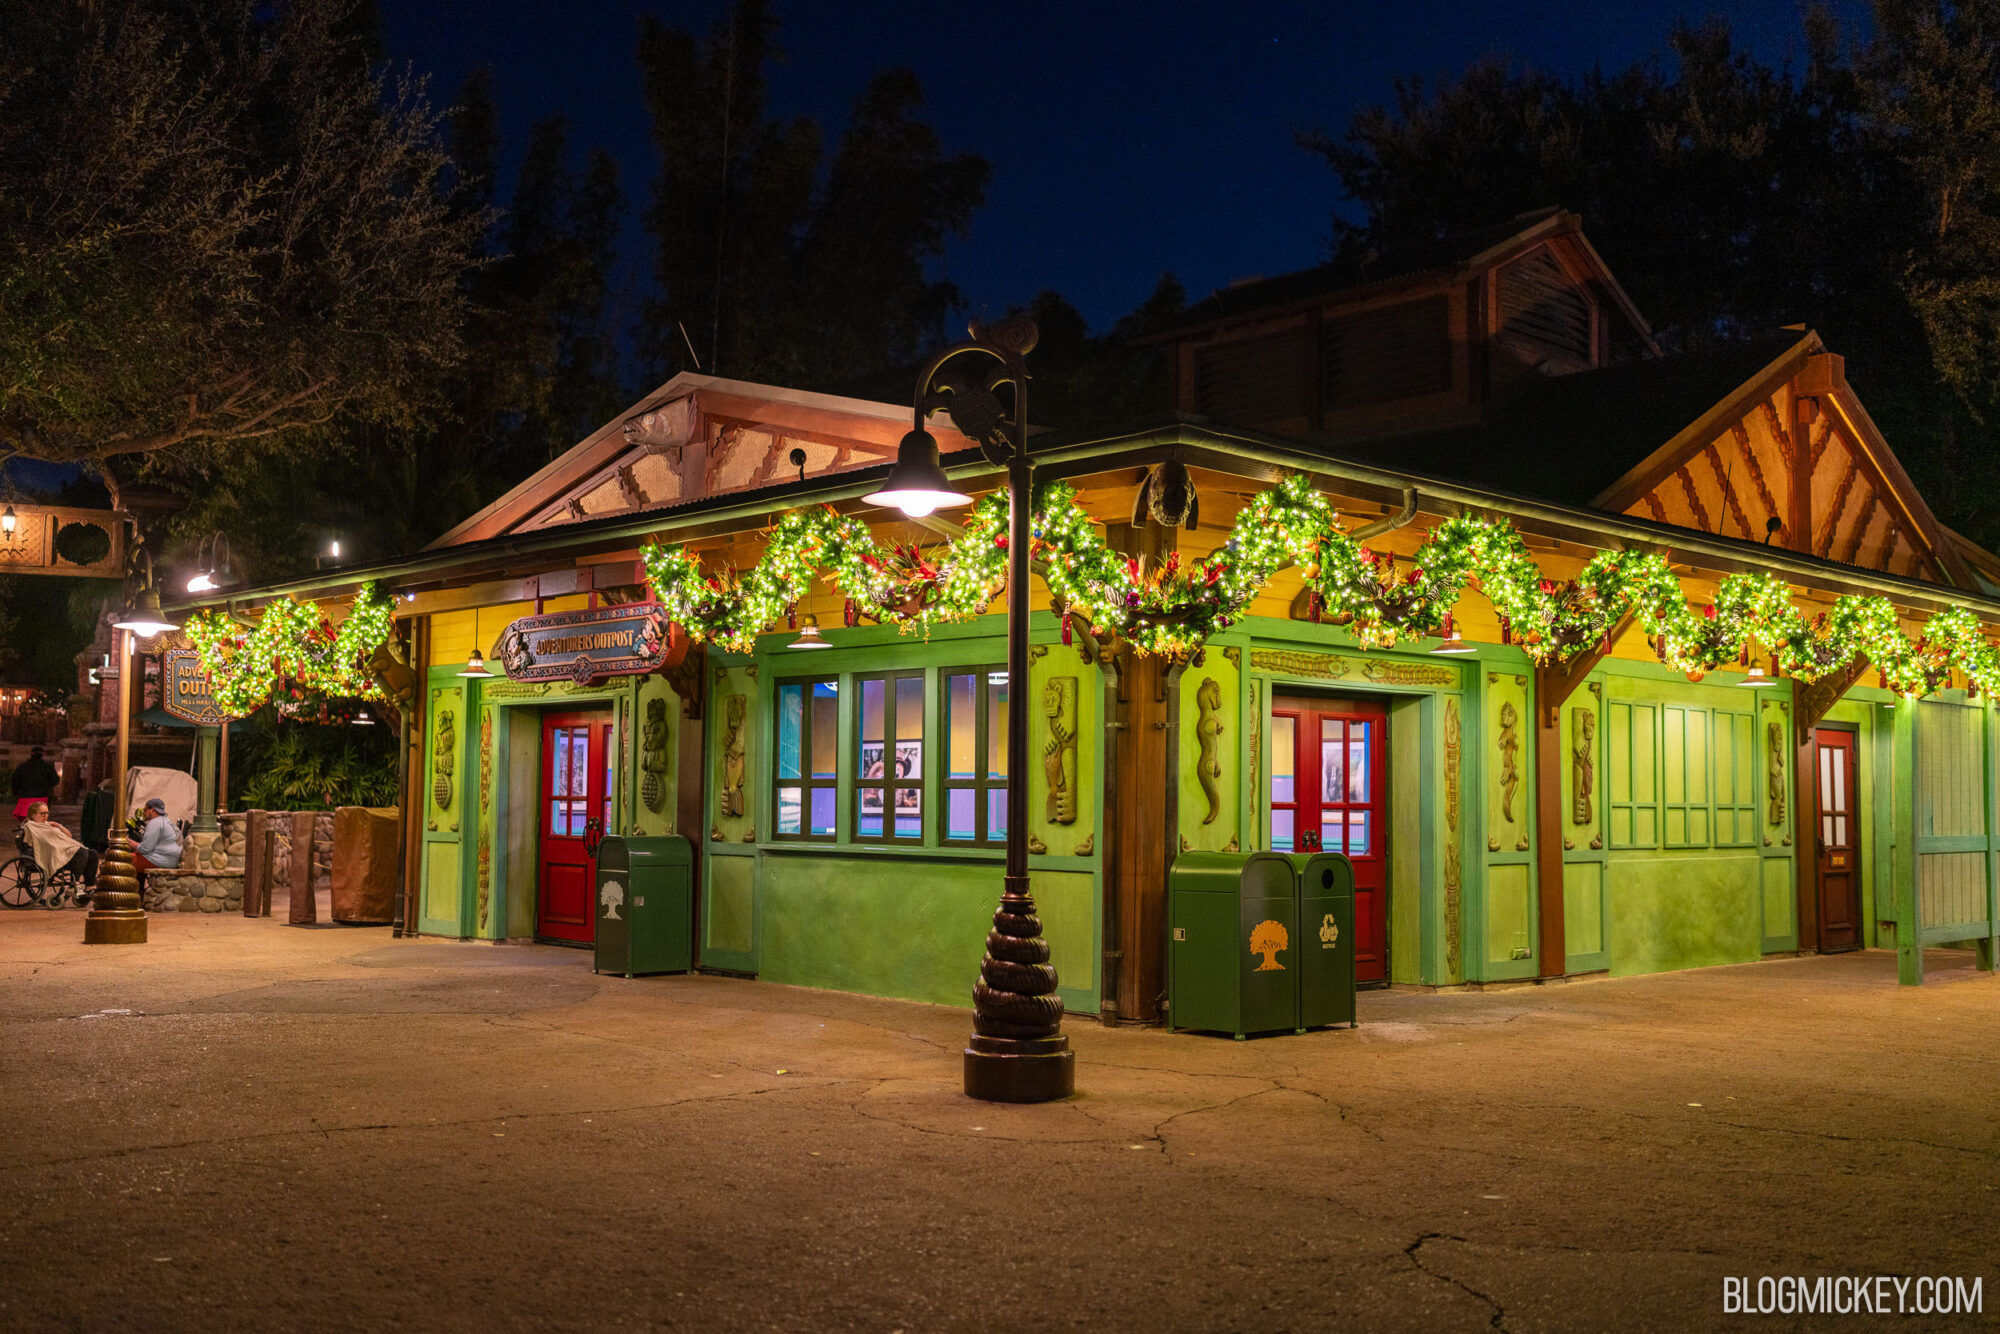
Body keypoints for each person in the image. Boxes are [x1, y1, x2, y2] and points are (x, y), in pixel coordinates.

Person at [22, 801, 98, 885]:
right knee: (81, 852)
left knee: (93, 854)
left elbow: (69, 836)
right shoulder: (30, 826)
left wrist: (58, 825)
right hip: (53, 853)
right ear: (33, 814)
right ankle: (74, 884)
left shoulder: (48, 824)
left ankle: (89, 886)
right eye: (42, 813)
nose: (46, 816)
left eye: (47, 813)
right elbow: (41, 842)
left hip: (63, 849)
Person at [133, 796, 182, 871]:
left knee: (124, 861)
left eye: (145, 810)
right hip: (174, 861)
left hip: (161, 861)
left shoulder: (155, 822)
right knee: (137, 857)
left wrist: (127, 841)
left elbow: (144, 849)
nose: (144, 813)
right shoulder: (169, 822)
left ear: (152, 811)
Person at [11, 746, 58, 819]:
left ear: (31, 754)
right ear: (42, 754)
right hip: (42, 797)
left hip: (25, 797)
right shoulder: (48, 767)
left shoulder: (22, 767)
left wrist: (16, 793)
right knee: (40, 819)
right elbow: (54, 781)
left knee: (25, 818)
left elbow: (15, 781)